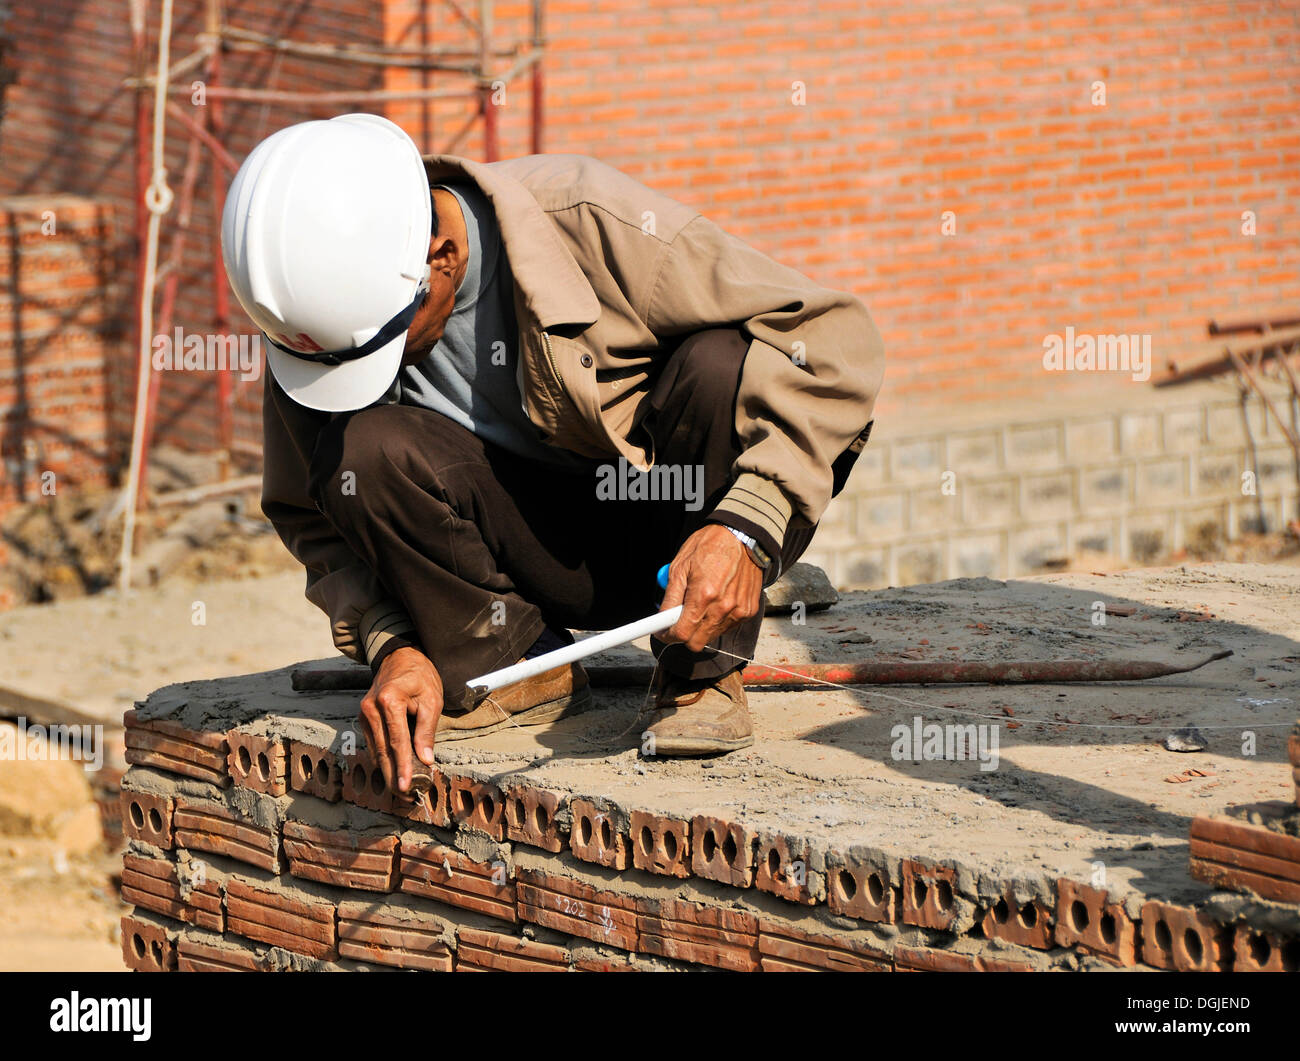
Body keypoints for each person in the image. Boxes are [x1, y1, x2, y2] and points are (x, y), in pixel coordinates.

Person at [221, 113, 884, 794]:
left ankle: (700, 676)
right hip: (521, 570)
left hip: (671, 539)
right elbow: (313, 513)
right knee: (359, 451)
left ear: (440, 257)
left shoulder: (588, 220)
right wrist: (395, 643)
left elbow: (834, 337)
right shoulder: (319, 323)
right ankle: (524, 664)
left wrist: (747, 524)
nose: (365, 368)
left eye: (381, 345)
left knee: (721, 363)